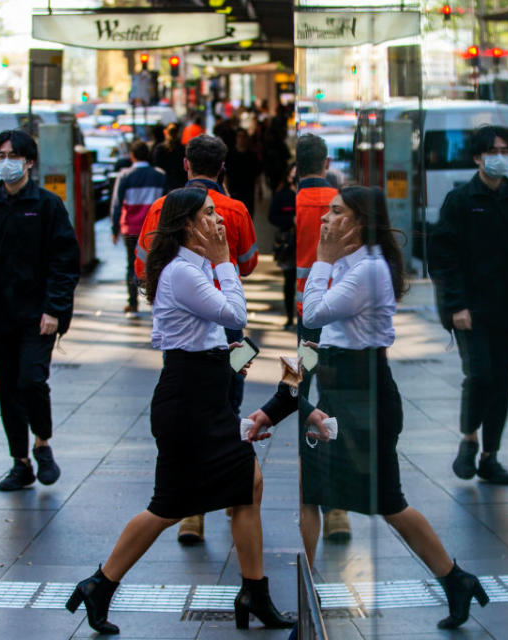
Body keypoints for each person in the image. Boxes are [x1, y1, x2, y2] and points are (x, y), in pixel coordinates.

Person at [65, 188, 292, 634]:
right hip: (187, 402)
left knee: (248, 484)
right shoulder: (183, 273)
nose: (219, 221)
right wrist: (226, 260)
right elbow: (235, 313)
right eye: (209, 214)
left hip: (202, 395)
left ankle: (254, 591)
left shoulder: (195, 269)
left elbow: (214, 340)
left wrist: (232, 367)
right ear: (188, 225)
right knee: (168, 506)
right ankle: (101, 584)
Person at [299, 186, 489, 630]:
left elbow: (312, 313)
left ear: (359, 221)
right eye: (326, 212)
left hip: (362, 395)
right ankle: (454, 580)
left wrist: (321, 260)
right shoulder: (354, 266)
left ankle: (454, 578)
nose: (326, 220)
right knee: (317, 492)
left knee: (387, 501)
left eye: (336, 212)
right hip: (344, 390)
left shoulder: (365, 269)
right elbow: (321, 336)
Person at [134, 134, 259, 544]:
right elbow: (248, 264)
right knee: (229, 401)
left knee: (232, 440)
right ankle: (207, 502)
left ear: (185, 164)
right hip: (212, 334)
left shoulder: (159, 208)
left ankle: (199, 515)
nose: (216, 220)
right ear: (222, 167)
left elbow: (141, 263)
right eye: (209, 216)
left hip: (212, 342)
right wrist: (221, 269)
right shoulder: (235, 209)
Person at [0, 129, 81, 491]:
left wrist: (55, 309)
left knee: (31, 380)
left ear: (28, 161)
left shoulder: (46, 205)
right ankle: (20, 462)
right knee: (7, 388)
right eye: (0, 155)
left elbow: (65, 260)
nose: (5, 161)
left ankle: (42, 442)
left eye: (13, 155)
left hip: (38, 315)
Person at [429, 125, 508, 486]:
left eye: (506, 150)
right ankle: (469, 438)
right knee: (480, 374)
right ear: (478, 158)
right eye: (493, 150)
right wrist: (455, 306)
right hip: (471, 310)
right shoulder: (462, 200)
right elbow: (442, 257)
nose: (501, 157)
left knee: (502, 382)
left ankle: (490, 456)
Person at [293, 133, 352, 543]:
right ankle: (337, 508)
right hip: (336, 321)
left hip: (306, 325)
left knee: (304, 399)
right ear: (326, 160)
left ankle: (313, 494)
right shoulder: (345, 204)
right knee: (332, 404)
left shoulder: (291, 202)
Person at [111, 141, 166, 314]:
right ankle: (156, 301)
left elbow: (116, 204)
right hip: (154, 229)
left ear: (132, 156)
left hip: (131, 228)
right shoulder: (160, 175)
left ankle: (132, 302)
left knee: (131, 264)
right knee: (156, 265)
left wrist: (115, 228)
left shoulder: (124, 176)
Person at [269, 164, 297, 328]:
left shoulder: (305, 194)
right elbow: (272, 216)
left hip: (305, 243)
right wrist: (290, 221)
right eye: (292, 174)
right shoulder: (282, 195)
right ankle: (289, 317)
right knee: (289, 282)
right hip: (288, 244)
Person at [225, 128, 261, 217]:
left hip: (248, 192)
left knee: (248, 215)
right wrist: (226, 190)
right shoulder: (230, 155)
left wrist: (260, 189)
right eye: (239, 136)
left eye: (243, 136)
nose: (241, 139)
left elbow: (257, 173)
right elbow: (225, 174)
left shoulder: (252, 156)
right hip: (233, 191)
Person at [152, 122, 186, 192]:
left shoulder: (159, 149)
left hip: (164, 185)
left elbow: (157, 168)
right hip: (180, 185)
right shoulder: (183, 149)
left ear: (165, 132)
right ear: (178, 133)